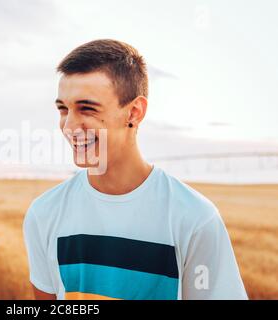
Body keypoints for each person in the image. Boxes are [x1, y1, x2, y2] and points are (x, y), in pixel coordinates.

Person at [23, 39, 248, 300]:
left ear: (134, 112)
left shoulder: (195, 218)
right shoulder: (44, 213)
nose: (70, 126)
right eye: (64, 109)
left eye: (87, 108)